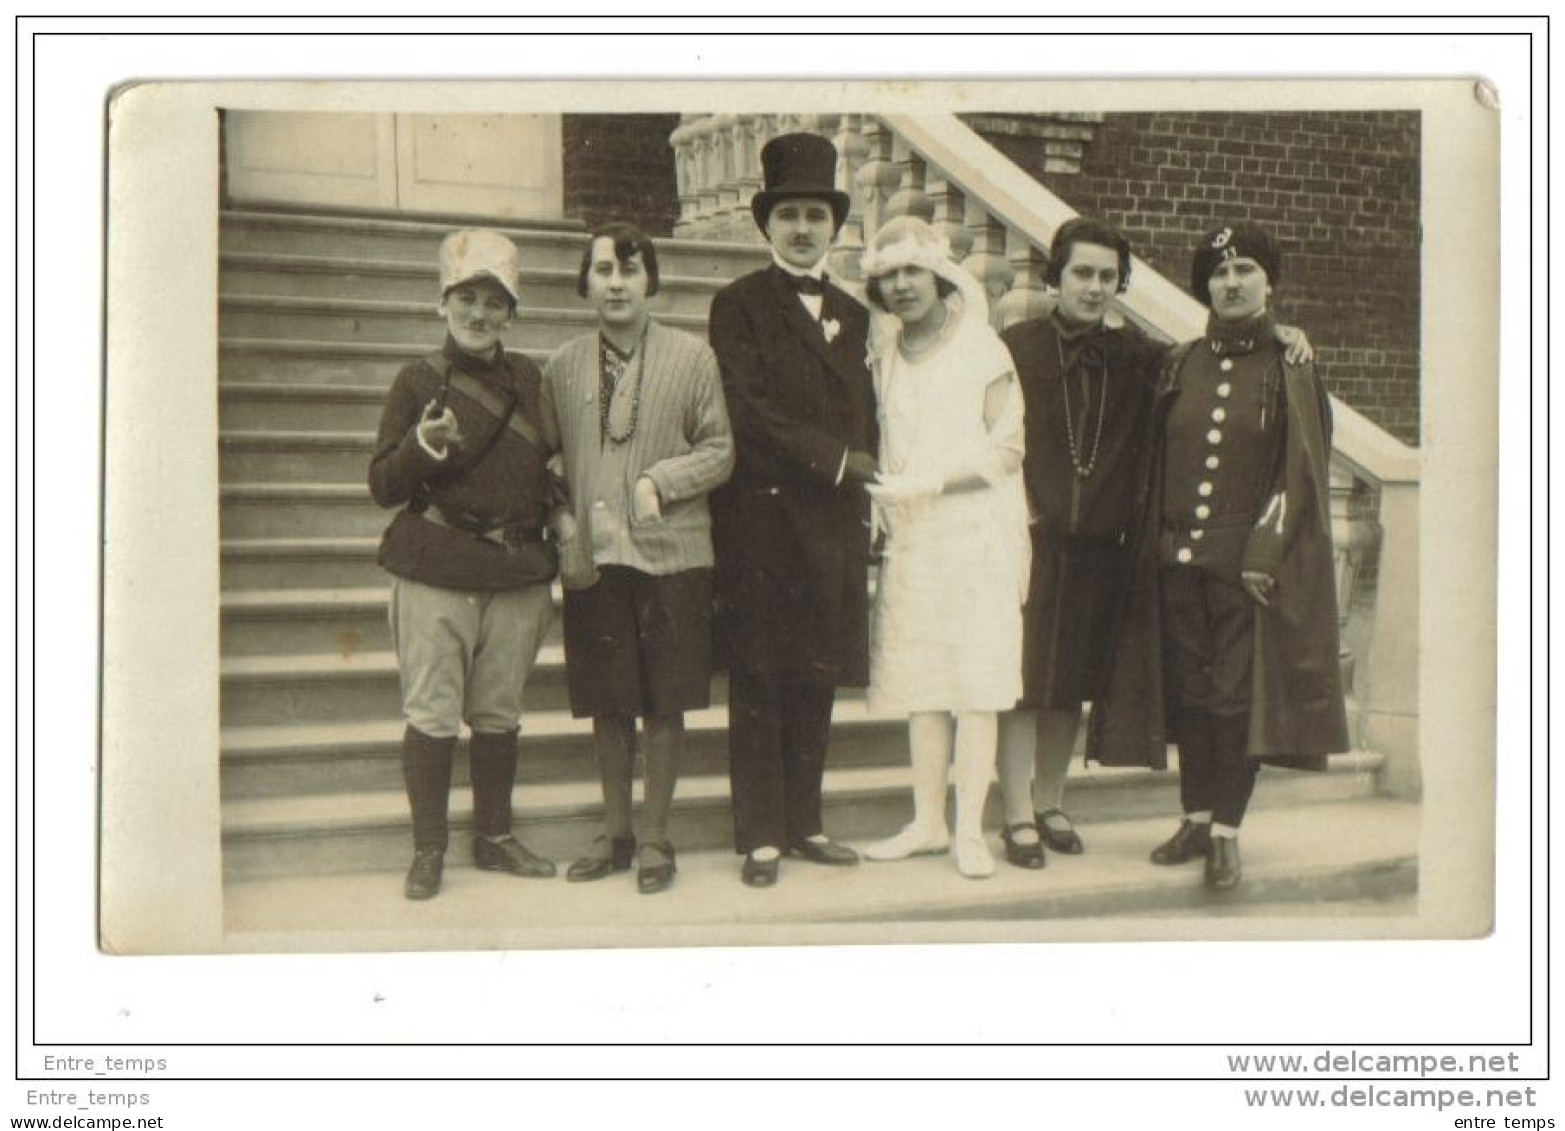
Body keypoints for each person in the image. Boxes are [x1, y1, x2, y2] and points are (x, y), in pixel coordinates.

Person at [997, 218, 1316, 871]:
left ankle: (1206, 826)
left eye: (1105, 276)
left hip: (1189, 562)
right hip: (1089, 552)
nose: (1092, 286)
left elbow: (1290, 453)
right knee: (1056, 684)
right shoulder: (1037, 349)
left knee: (1197, 697)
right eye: (1079, 273)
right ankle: (1041, 816)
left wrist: (1282, 331)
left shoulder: (1216, 361)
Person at [1087, 221, 1350, 891]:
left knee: (1235, 701)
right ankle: (1195, 815)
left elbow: (1300, 470)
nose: (1230, 283)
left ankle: (1227, 831)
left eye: (1245, 271)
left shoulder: (1290, 365)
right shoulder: (1178, 362)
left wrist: (1264, 550)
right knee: (1189, 698)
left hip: (1245, 571)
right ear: (1203, 284)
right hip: (1174, 561)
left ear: (1270, 282)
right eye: (1218, 272)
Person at [541, 222, 734, 896]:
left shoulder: (692, 357)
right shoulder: (562, 366)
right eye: (603, 270)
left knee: (664, 700)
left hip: (671, 555)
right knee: (608, 700)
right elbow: (549, 461)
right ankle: (614, 830)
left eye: (630, 268)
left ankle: (655, 834)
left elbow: (719, 449)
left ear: (650, 279)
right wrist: (561, 516)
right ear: (586, 283)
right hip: (595, 558)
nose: (616, 282)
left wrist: (660, 481)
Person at [368, 228, 559, 901]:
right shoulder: (417, 379)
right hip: (436, 566)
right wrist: (422, 445)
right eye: (466, 297)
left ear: (513, 311)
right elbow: (383, 484)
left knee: (499, 714)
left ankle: (495, 836)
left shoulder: (533, 380)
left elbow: (554, 467)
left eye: (494, 301)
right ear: (443, 301)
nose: (479, 314)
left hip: (514, 572)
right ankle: (429, 847)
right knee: (432, 715)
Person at [708, 132, 877, 888]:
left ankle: (806, 821)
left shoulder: (854, 311)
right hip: (764, 521)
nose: (802, 228)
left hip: (834, 525)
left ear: (834, 226)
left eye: (815, 215)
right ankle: (760, 834)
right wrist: (838, 461)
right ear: (765, 225)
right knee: (760, 676)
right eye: (788, 215)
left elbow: (868, 411)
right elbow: (750, 412)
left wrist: (866, 489)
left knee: (815, 674)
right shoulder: (737, 305)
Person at [858, 215, 1031, 880]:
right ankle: (927, 821)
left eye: (911, 272)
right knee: (923, 682)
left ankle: (968, 829)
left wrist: (934, 483)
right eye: (887, 276)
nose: (901, 286)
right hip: (915, 538)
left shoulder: (982, 346)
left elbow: (1008, 448)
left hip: (975, 535)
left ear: (936, 275)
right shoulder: (886, 352)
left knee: (976, 683)